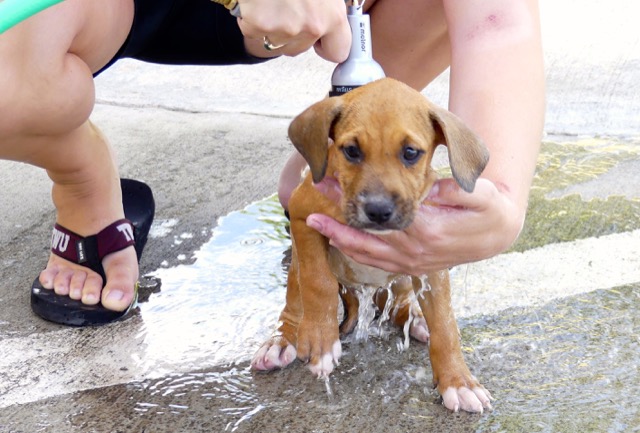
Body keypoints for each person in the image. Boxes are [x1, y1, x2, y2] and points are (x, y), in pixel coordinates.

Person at [0, 0, 544, 317]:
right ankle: (82, 181)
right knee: (11, 86)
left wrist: (501, 197)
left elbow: (497, 19)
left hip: (335, 14)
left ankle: (336, 148)